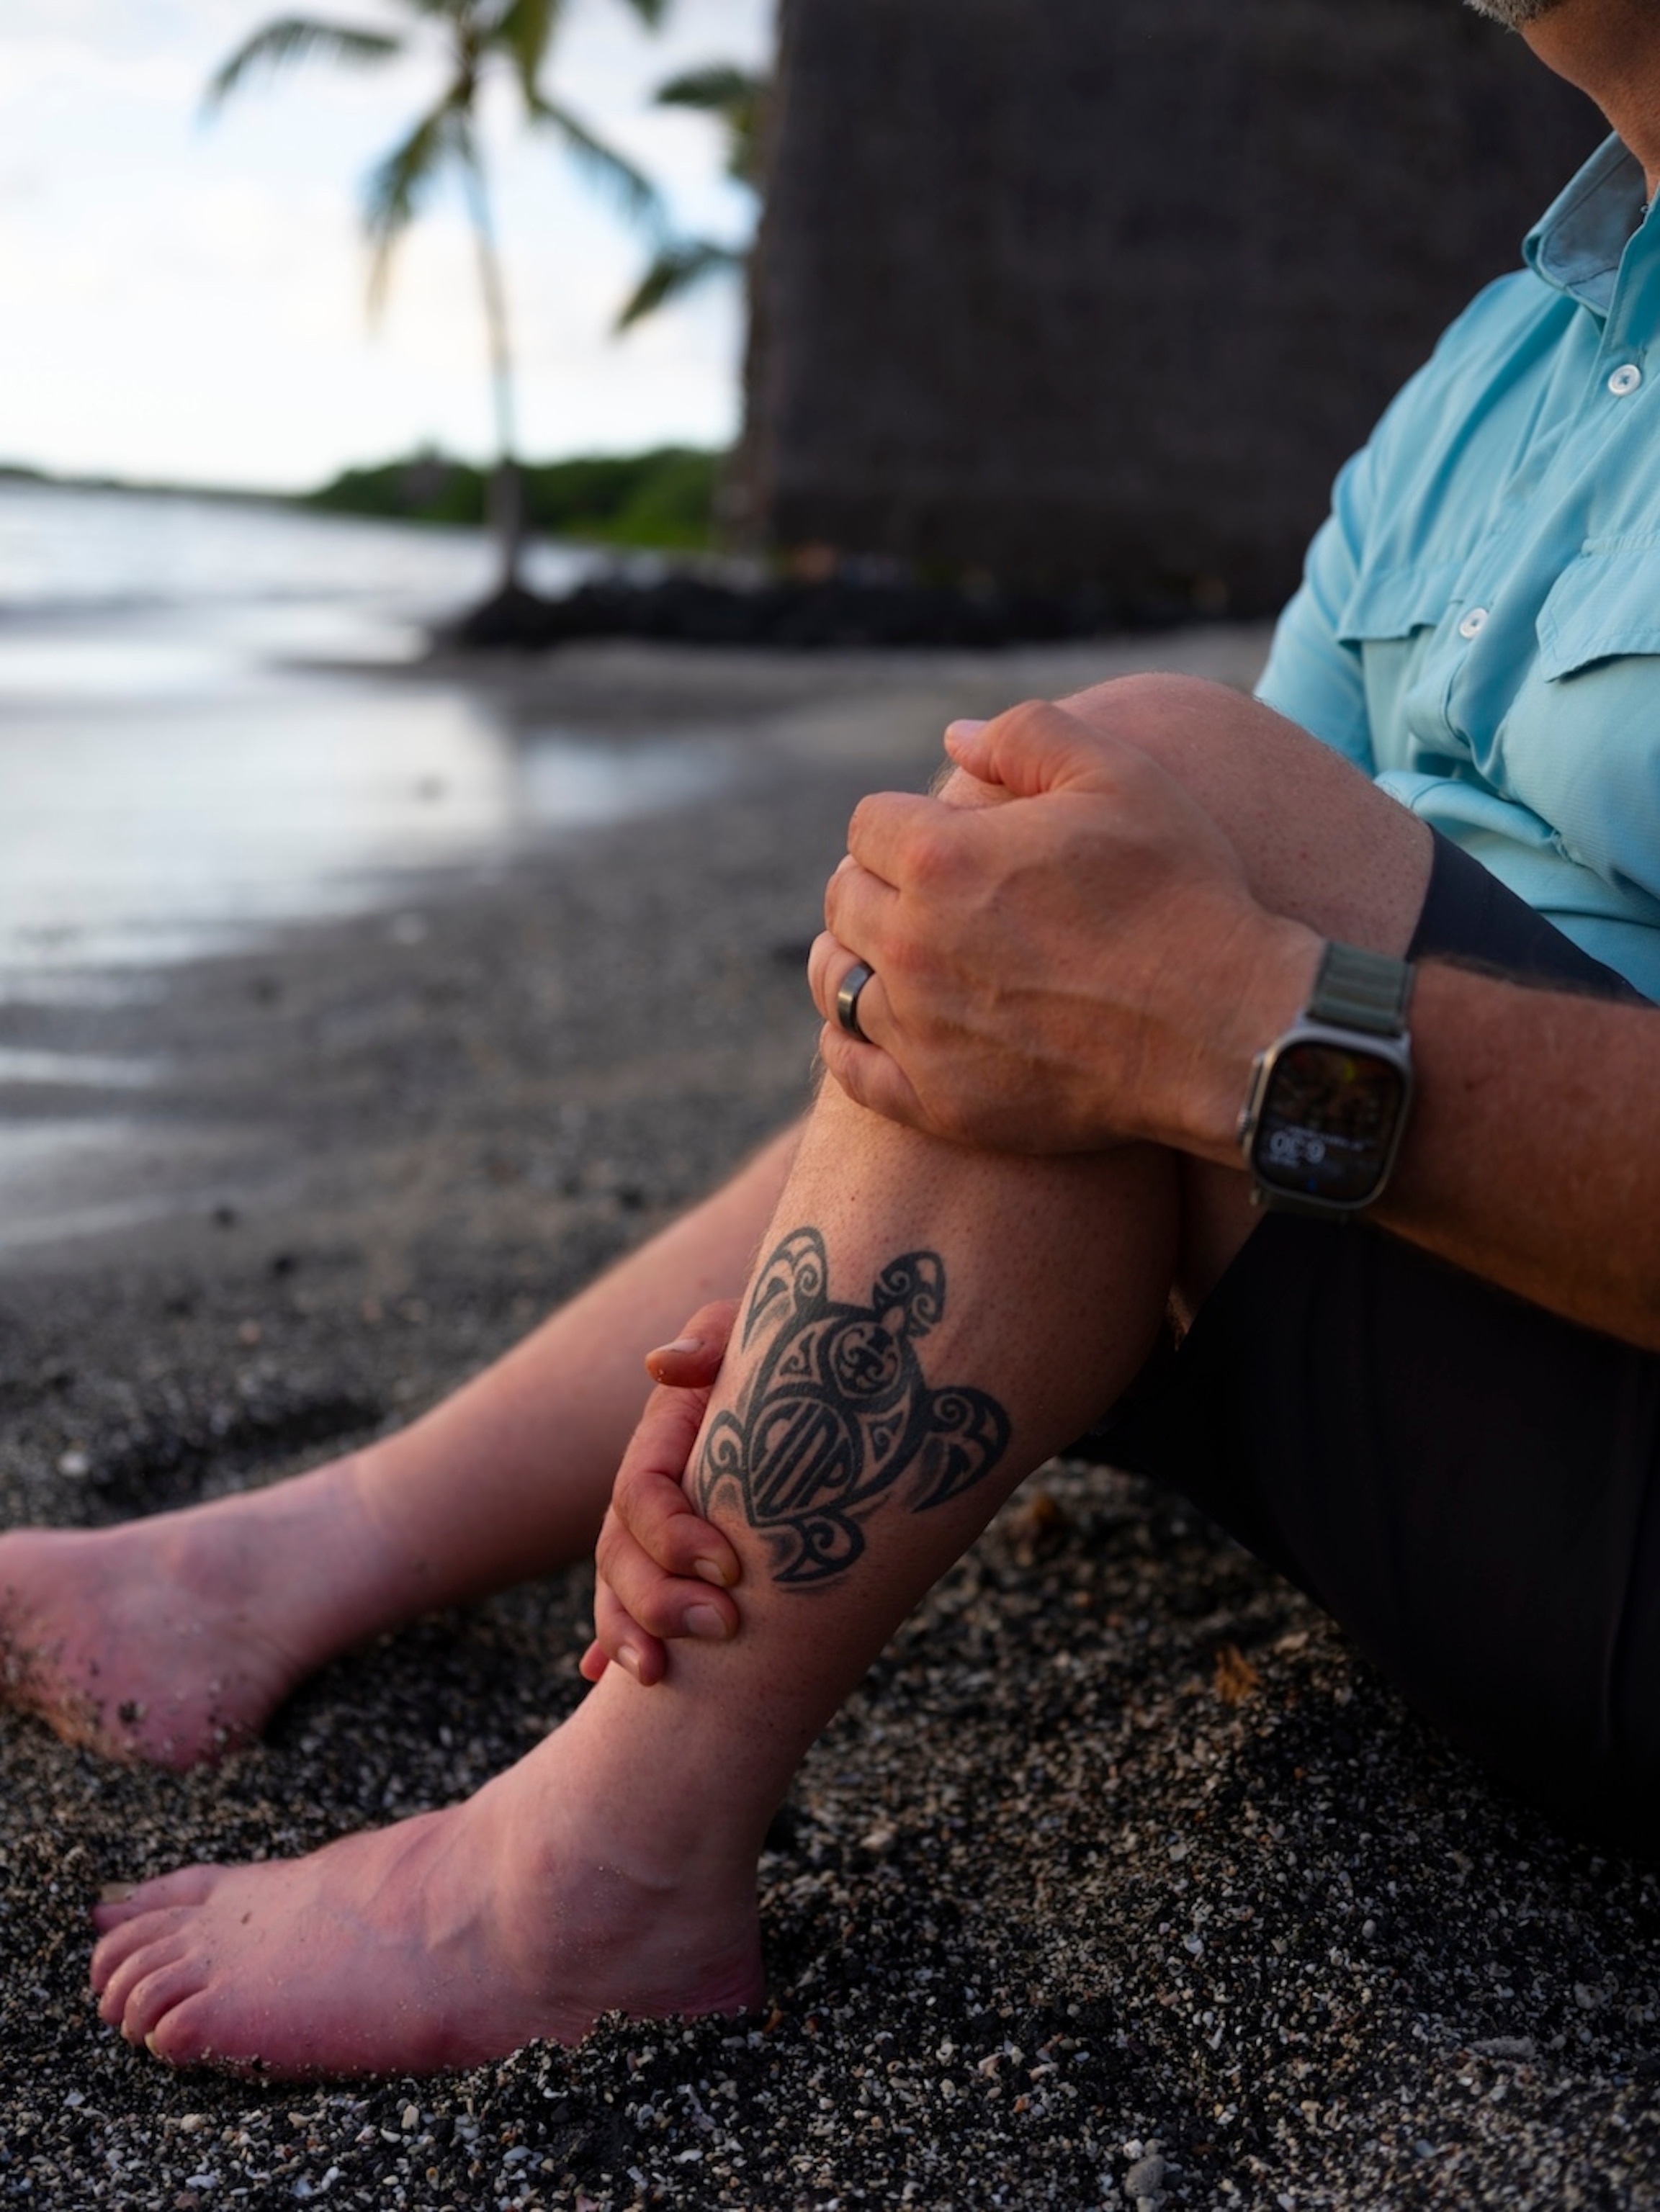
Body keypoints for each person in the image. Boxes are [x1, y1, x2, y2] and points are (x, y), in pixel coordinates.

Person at [6, 0, 1660, 2077]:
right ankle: (296, 1552)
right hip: (1453, 1401)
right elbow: (1140, 939)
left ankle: (595, 1870)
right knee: (1052, 890)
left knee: (1126, 843)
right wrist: (811, 1356)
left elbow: (1207, 965)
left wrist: (1248, 1029)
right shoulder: (1509, 356)